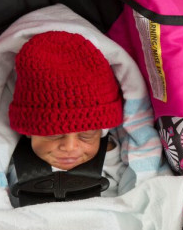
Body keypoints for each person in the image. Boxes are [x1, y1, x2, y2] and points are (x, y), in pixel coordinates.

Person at [7, 30, 126, 199]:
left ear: (102, 132)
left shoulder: (114, 159)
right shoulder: (9, 163)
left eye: (86, 135)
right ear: (28, 130)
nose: (70, 147)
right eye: (54, 135)